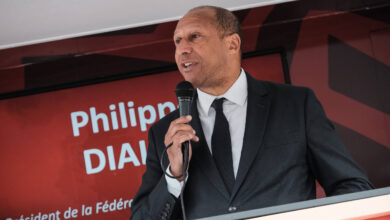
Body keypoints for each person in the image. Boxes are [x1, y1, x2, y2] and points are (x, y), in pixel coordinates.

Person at [130, 5, 373, 220]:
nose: (182, 49)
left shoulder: (296, 105)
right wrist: (173, 177)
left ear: (232, 44)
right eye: (177, 41)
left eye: (194, 37)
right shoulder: (165, 132)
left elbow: (353, 186)